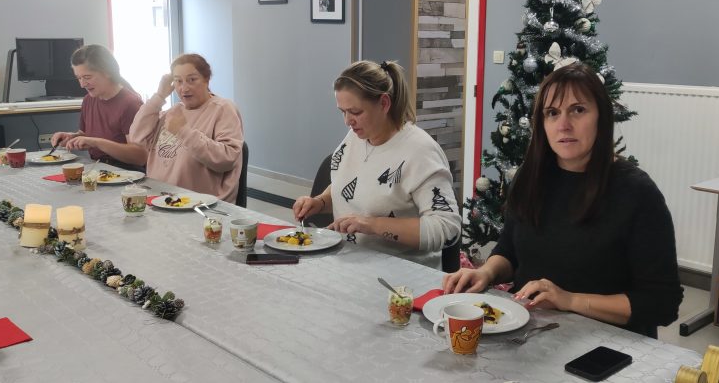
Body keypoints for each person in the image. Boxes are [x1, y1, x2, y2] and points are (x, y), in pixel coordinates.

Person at [442, 63, 683, 338]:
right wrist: (486, 273)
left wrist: (570, 300)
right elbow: (510, 251)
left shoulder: (637, 192)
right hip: (530, 333)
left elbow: (662, 303)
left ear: (602, 117)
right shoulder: (530, 176)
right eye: (552, 113)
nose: (563, 125)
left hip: (607, 345)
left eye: (578, 110)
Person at [292, 60, 461, 269]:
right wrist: (320, 202)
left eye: (355, 112)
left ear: (384, 103)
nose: (347, 121)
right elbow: (351, 185)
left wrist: (373, 224)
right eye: (342, 112)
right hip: (350, 263)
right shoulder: (357, 136)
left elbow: (447, 228)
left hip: (401, 275)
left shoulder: (421, 152)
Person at [128, 54, 244, 203]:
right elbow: (136, 137)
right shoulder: (174, 111)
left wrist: (183, 131)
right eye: (178, 81)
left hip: (199, 204)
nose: (184, 88)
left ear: (206, 79)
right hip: (159, 199)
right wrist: (159, 96)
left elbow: (227, 158)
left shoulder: (223, 109)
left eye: (192, 80)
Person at [51, 44, 146, 170]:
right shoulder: (88, 100)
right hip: (98, 170)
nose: (82, 84)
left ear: (107, 72)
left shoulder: (130, 104)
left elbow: (140, 157)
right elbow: (86, 134)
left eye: (87, 77)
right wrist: (71, 137)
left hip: (127, 174)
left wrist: (96, 142)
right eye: (79, 78)